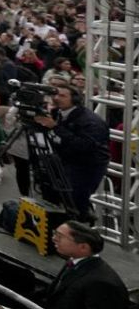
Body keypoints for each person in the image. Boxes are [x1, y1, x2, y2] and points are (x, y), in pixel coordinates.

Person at [31, 86, 110, 217]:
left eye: (62, 96)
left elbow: (84, 146)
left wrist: (55, 127)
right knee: (53, 193)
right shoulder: (57, 113)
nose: (56, 98)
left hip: (87, 166)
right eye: (55, 95)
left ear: (75, 99)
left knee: (76, 200)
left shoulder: (90, 121)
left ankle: (79, 226)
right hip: (65, 160)